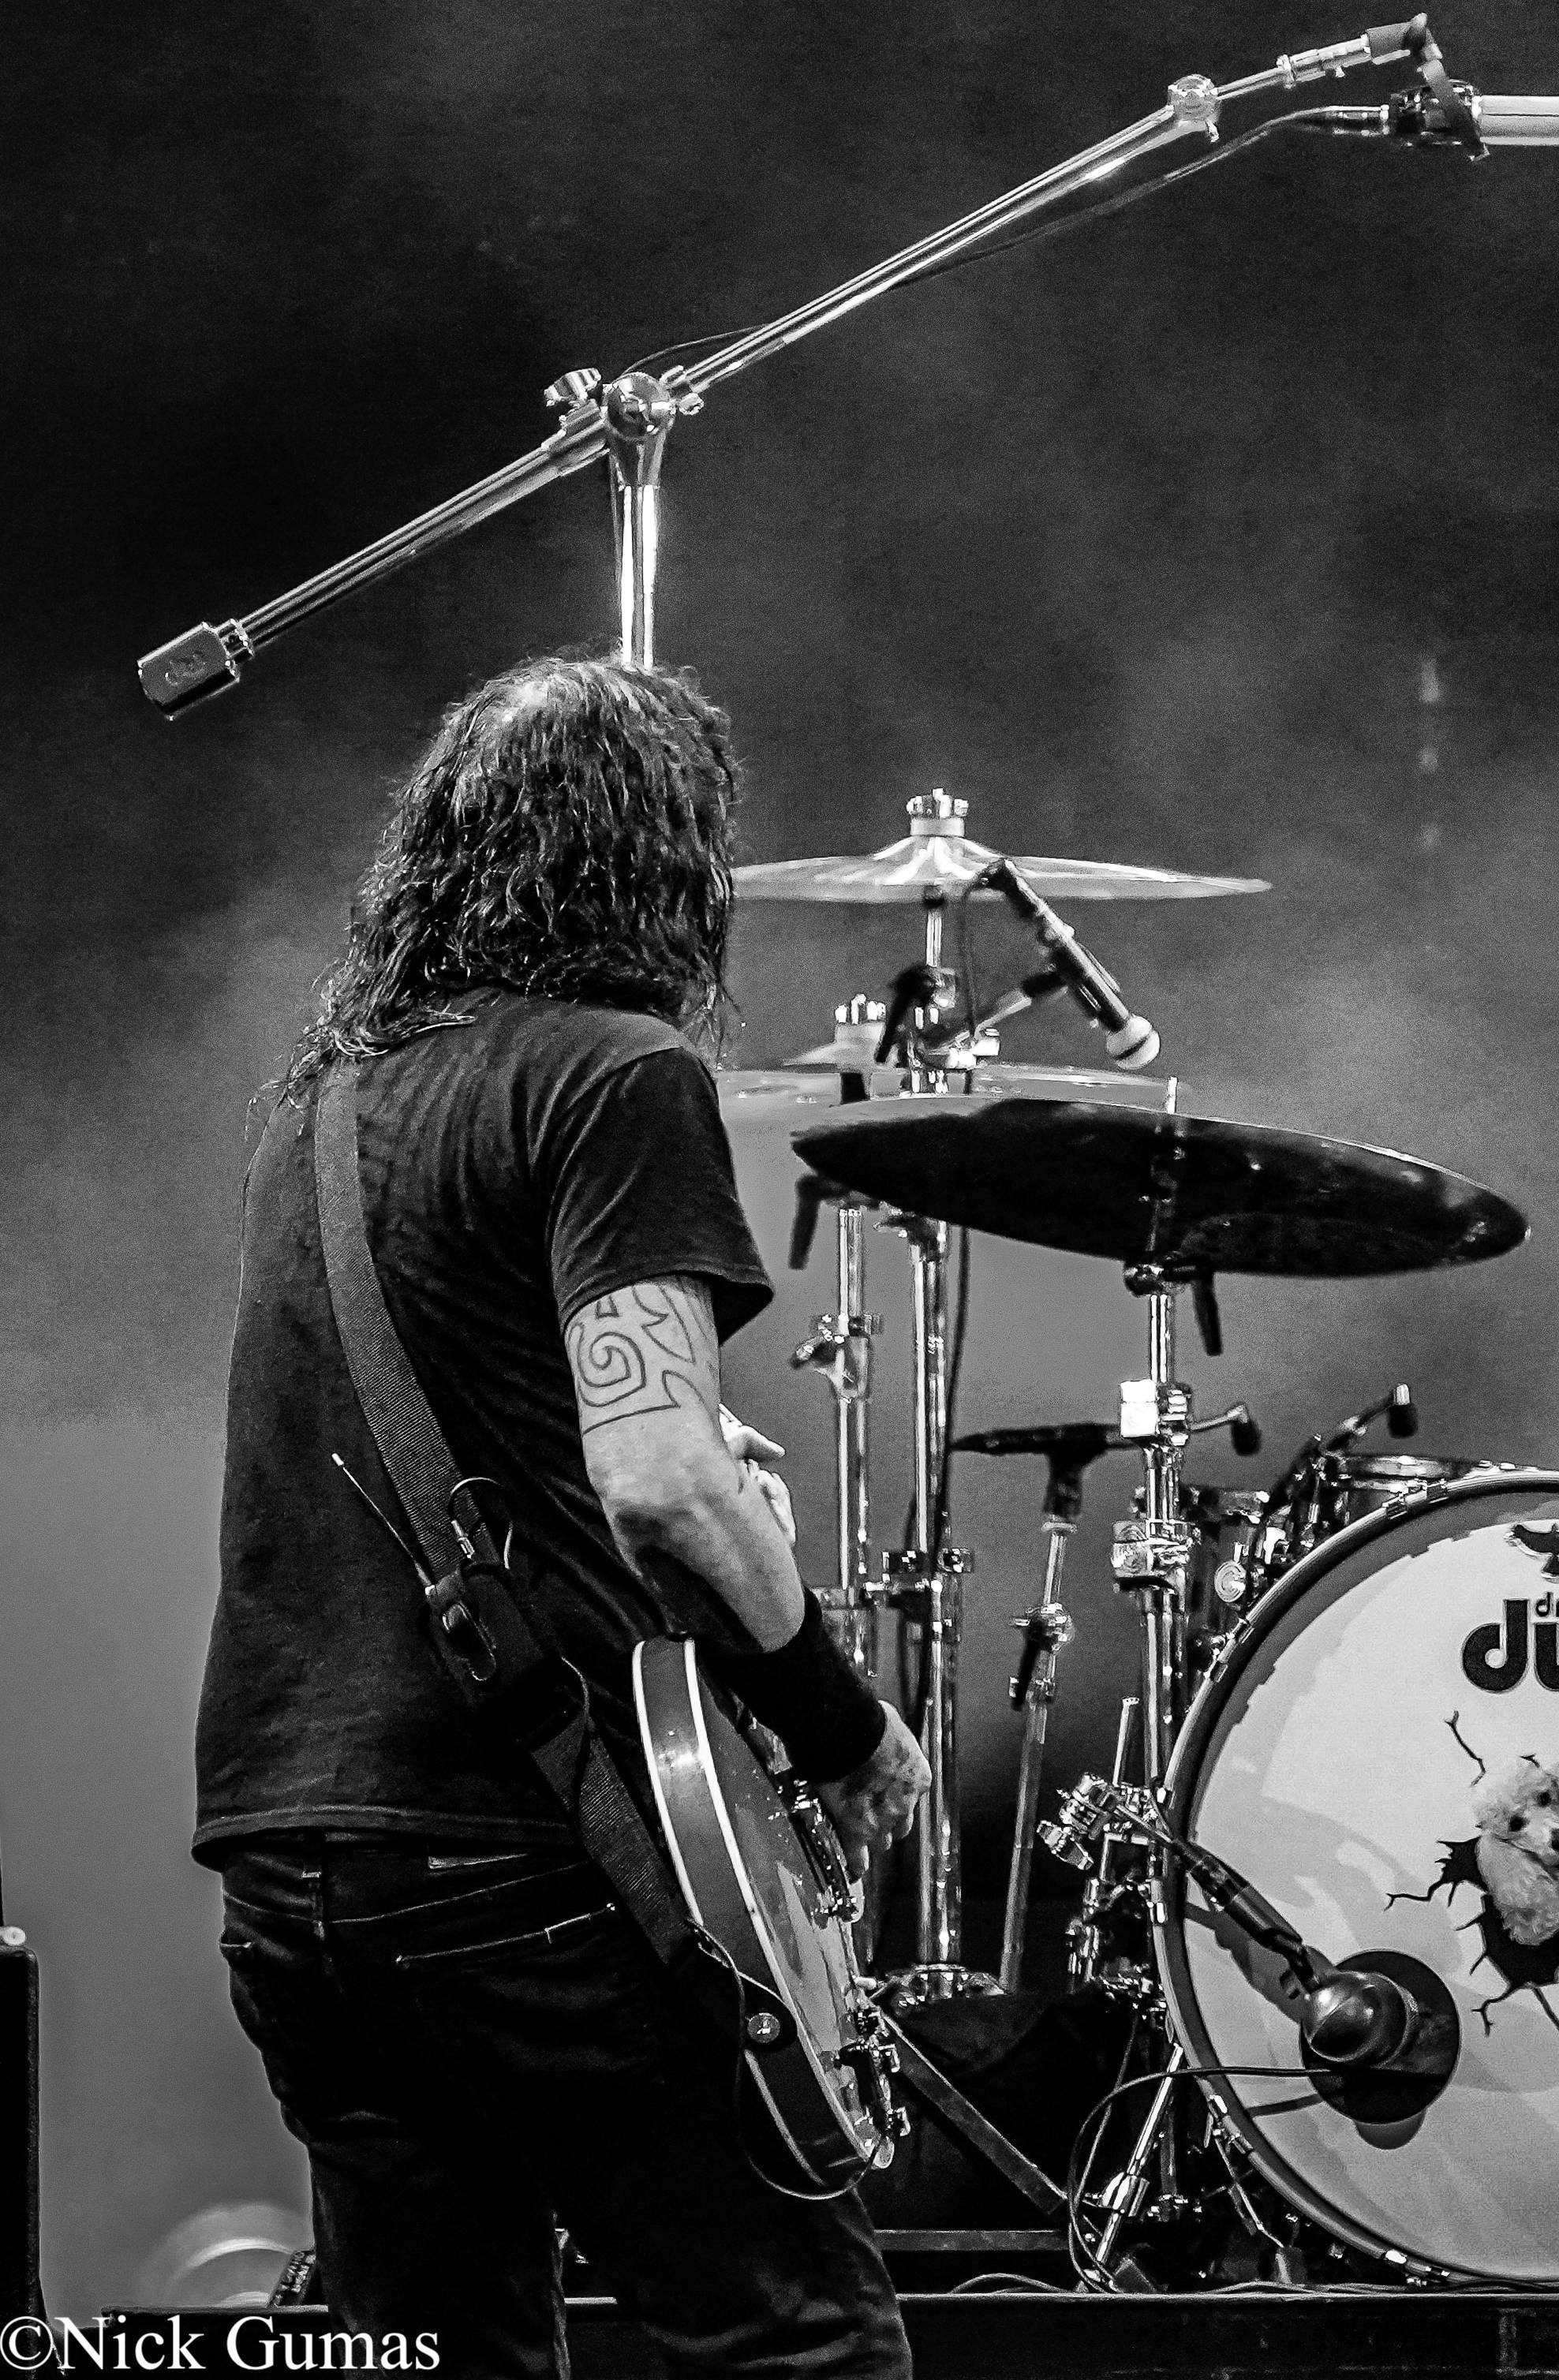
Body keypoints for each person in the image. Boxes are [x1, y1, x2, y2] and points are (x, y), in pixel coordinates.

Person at [198, 656, 928, 2378]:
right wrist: (842, 1725)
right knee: (794, 2343)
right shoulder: (620, 1076)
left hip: (293, 1864)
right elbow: (658, 1470)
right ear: (666, 863)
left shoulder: (317, 1110)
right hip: (527, 1852)